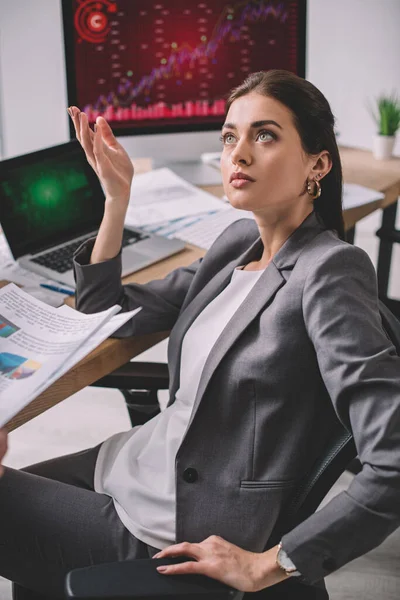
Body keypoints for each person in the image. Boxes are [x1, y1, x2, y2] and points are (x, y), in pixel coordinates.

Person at [0, 70, 399, 600]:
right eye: (230, 136)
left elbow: (393, 457)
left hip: (172, 524)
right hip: (132, 461)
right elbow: (106, 312)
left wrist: (276, 563)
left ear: (318, 163)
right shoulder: (238, 241)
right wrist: (115, 202)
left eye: (266, 135)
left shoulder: (329, 271)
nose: (239, 153)